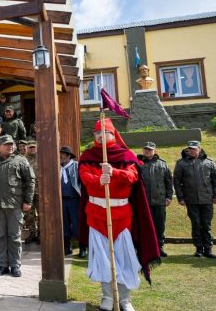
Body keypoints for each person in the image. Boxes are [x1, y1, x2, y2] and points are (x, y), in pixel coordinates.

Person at [78, 118, 159, 311]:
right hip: (96, 215)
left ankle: (125, 299)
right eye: (97, 133)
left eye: (103, 132)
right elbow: (84, 176)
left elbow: (132, 177)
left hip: (122, 216)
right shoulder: (88, 155)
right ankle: (107, 297)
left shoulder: (126, 155)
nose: (99, 136)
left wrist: (114, 172)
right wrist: (99, 179)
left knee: (124, 259)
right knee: (102, 259)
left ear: (113, 134)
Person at [0, 135, 34, 277]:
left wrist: (28, 201)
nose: (10, 146)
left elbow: (29, 181)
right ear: (0, 146)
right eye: (7, 144)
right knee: (0, 237)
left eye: (12, 144)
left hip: (15, 204)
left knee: (15, 236)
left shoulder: (21, 160)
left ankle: (15, 265)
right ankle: (2, 265)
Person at [174, 140, 216, 259]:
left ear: (199, 149)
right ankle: (199, 248)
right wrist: (180, 197)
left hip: (207, 199)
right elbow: (177, 182)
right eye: (190, 148)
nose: (191, 151)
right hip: (191, 199)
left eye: (194, 148)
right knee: (196, 224)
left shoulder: (209, 162)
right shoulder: (181, 163)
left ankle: (208, 249)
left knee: (206, 224)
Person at [137, 142, 173, 257]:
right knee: (144, 225)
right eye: (146, 149)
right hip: (144, 201)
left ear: (154, 151)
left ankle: (159, 247)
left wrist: (169, 197)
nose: (148, 151)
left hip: (159, 201)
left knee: (159, 225)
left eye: (150, 149)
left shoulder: (162, 164)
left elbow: (169, 182)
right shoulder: (138, 164)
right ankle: (145, 248)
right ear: (143, 150)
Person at [59, 146, 85, 257]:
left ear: (68, 156)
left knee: (77, 224)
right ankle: (67, 247)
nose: (60, 157)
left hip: (75, 200)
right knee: (64, 225)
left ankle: (82, 248)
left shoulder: (77, 166)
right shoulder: (57, 167)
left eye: (62, 155)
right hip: (62, 201)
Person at [22, 140, 40, 244]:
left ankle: (41, 233)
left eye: (34, 147)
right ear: (27, 148)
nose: (32, 149)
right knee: (29, 214)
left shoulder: (42, 158)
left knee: (41, 214)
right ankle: (32, 232)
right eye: (30, 147)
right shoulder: (23, 159)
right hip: (28, 191)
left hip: (40, 191)